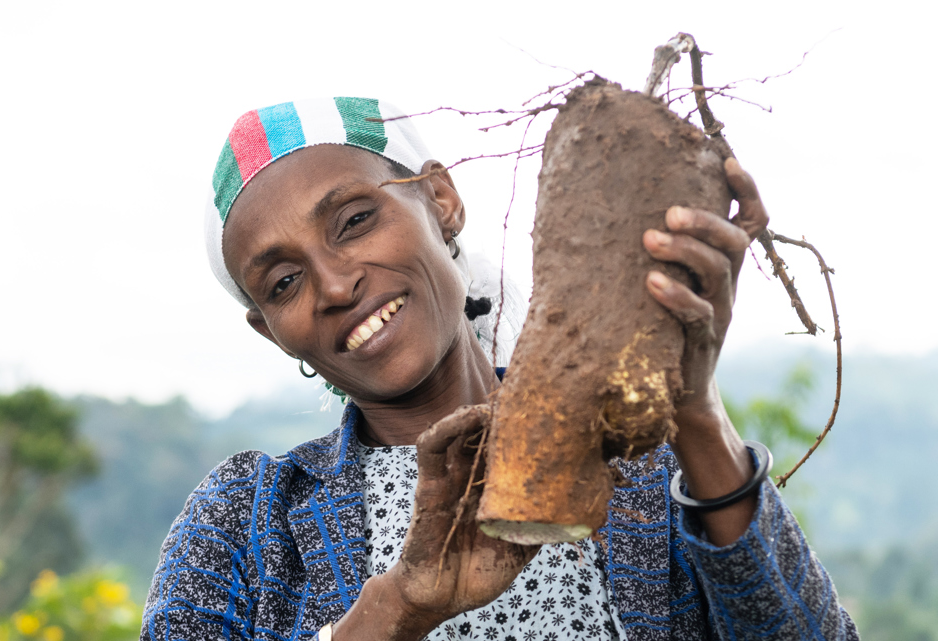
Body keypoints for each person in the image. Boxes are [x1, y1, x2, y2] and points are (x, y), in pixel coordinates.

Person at [141, 97, 858, 641]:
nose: (333, 285)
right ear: (269, 331)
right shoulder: (244, 520)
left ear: (442, 200)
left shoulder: (644, 465)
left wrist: (693, 411)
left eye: (355, 220)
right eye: (283, 283)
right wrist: (396, 608)